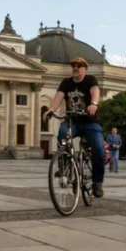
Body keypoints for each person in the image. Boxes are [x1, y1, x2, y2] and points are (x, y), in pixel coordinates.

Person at [43, 57, 105, 197]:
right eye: (73, 65)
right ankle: (65, 169)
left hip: (90, 122)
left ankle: (97, 182)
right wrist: (51, 109)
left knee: (99, 149)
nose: (75, 68)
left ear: (85, 68)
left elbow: (95, 91)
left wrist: (94, 104)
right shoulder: (66, 82)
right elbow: (58, 97)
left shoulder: (90, 80)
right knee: (62, 134)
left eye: (79, 65)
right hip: (73, 121)